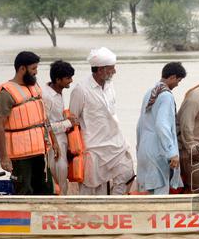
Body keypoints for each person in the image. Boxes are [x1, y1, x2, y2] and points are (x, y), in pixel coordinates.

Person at [69, 47, 135, 196]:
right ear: (100, 70)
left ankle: (115, 203)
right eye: (111, 69)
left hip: (115, 143)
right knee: (91, 186)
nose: (115, 72)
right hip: (93, 147)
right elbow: (73, 119)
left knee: (126, 172)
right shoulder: (81, 90)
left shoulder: (110, 85)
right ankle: (88, 215)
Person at [0, 51, 56, 195]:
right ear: (22, 69)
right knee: (24, 191)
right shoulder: (6, 93)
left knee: (46, 190)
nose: (36, 72)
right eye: (33, 68)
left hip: (41, 152)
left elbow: (44, 118)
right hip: (20, 156)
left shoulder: (35, 87)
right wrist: (4, 158)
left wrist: (55, 142)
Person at [136, 63, 187, 195]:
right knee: (160, 193)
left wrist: (139, 147)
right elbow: (162, 125)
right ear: (172, 77)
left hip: (145, 148)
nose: (177, 84)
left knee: (149, 191)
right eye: (178, 80)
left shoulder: (150, 92)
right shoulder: (166, 96)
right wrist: (171, 153)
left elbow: (140, 123)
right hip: (158, 150)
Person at [43, 60, 76, 194]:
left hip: (62, 140)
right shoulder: (46, 96)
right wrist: (69, 123)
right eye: (68, 78)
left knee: (62, 175)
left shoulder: (58, 91)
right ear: (58, 80)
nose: (71, 81)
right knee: (59, 175)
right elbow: (45, 125)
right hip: (52, 143)